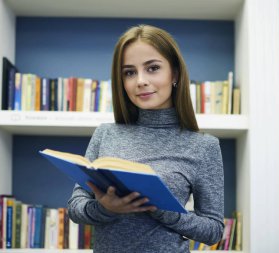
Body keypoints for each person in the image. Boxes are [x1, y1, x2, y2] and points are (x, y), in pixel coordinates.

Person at [68, 24, 224, 252]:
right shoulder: (105, 134)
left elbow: (213, 231)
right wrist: (106, 208)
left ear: (175, 74)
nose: (140, 80)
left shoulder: (203, 147)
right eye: (129, 72)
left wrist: (163, 208)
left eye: (152, 68)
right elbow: (75, 207)